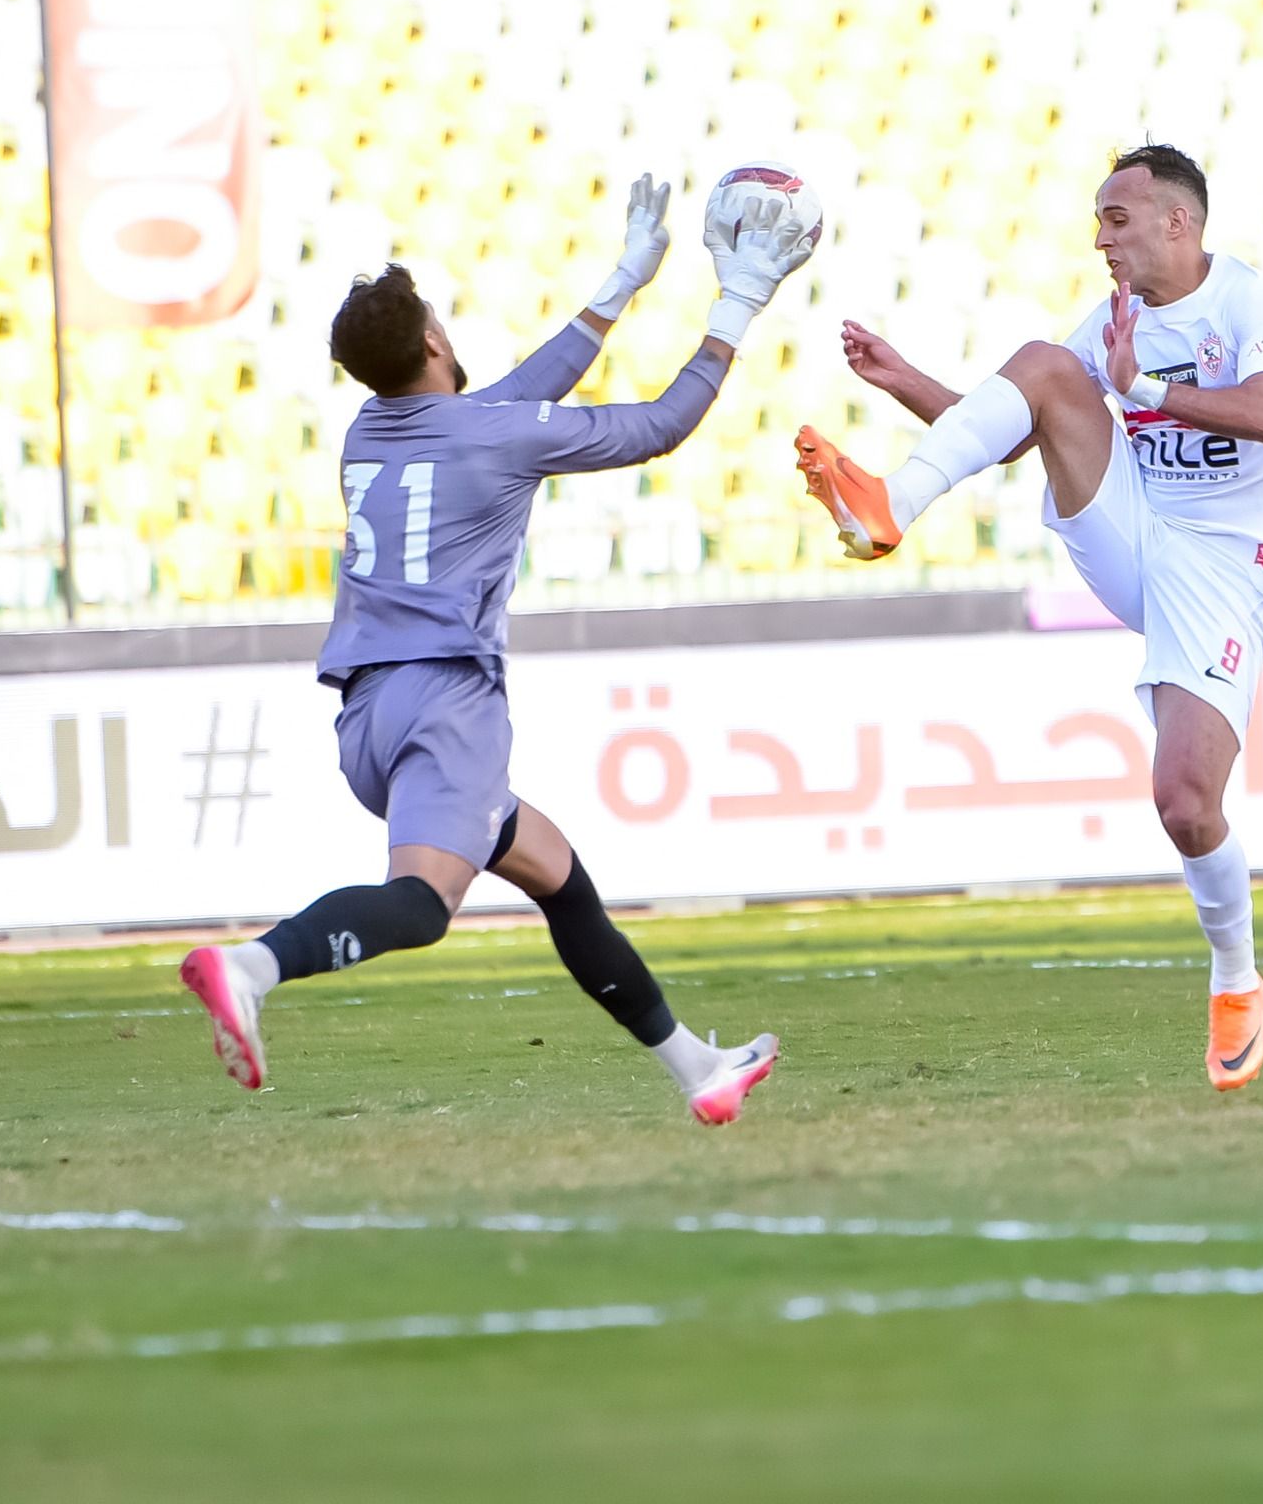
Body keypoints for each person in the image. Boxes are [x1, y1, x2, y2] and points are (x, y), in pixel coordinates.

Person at [182, 175, 814, 1124]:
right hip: (446, 702)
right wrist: (735, 308)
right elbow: (658, 426)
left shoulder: (367, 433)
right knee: (425, 906)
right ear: (435, 341)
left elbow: (518, 397)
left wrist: (624, 283)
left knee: (556, 874)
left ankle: (696, 1067)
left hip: (368, 714)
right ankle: (252, 965)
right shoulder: (488, 437)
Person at [794, 142, 1263, 1091]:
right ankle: (891, 504)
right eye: (1097, 222)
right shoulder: (1110, 322)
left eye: (1116, 220)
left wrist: (1145, 388)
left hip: (1227, 564)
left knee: (1185, 805)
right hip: (1136, 531)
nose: (1100, 240)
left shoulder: (1249, 302)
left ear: (1178, 222)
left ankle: (1237, 981)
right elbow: (1015, 423)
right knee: (1042, 364)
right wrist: (904, 378)